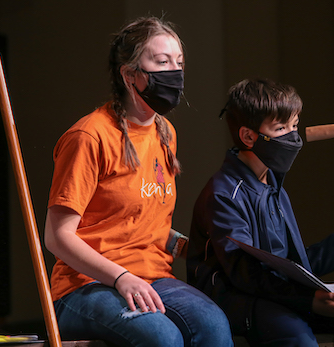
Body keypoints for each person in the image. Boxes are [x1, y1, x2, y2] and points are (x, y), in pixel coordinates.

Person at [44, 16, 233, 347]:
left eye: (179, 63)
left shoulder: (165, 132)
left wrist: (190, 245)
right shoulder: (90, 136)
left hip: (153, 276)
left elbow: (134, 218)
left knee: (214, 326)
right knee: (162, 338)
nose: (174, 72)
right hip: (85, 285)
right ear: (130, 74)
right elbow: (57, 237)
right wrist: (121, 278)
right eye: (161, 62)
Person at [186, 78, 334, 347]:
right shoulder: (224, 194)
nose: (293, 136)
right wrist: (308, 301)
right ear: (248, 136)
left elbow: (290, 267)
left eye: (295, 125)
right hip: (238, 301)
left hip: (280, 295)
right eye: (281, 128)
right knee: (297, 338)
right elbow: (247, 275)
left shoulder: (273, 185)